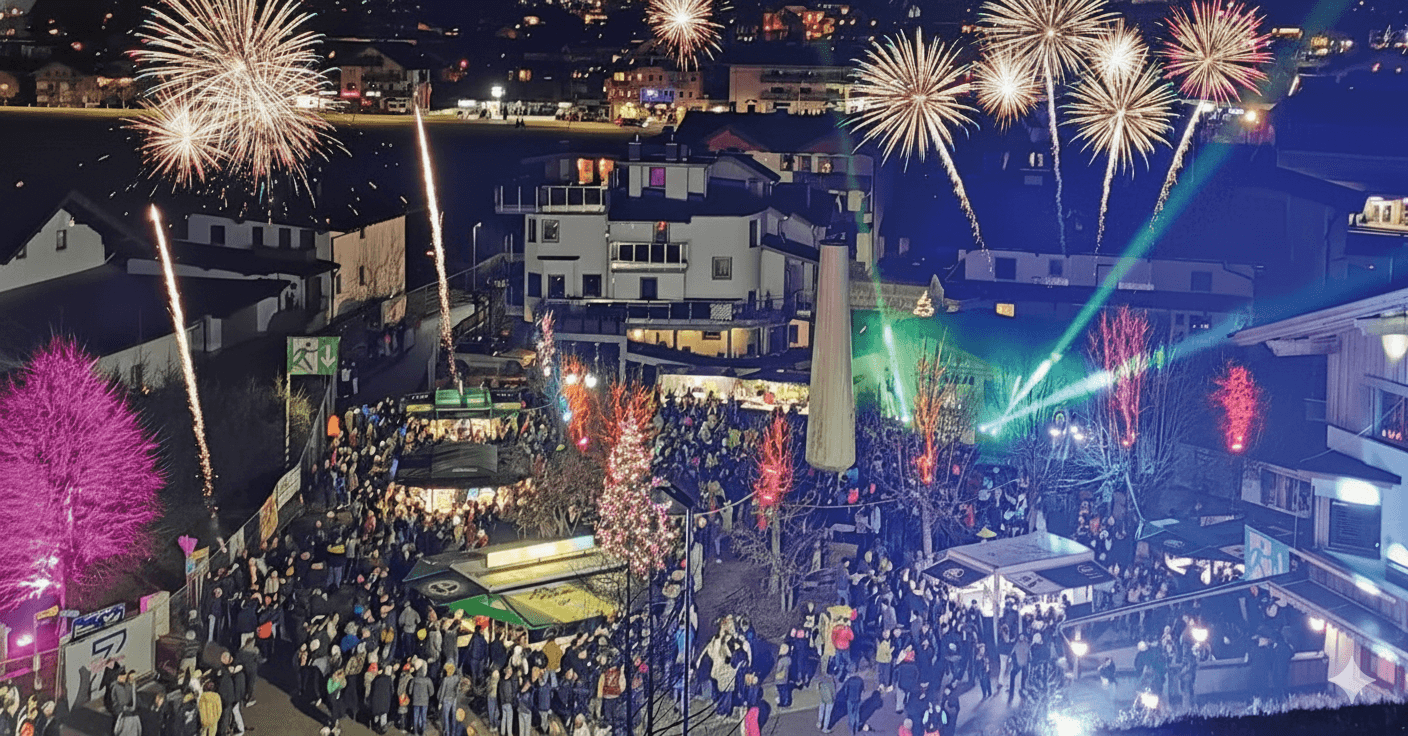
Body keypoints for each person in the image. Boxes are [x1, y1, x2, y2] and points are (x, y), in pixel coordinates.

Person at [107, 668, 140, 736]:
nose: (124, 678)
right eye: (122, 677)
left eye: (125, 676)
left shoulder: (127, 686)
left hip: (126, 713)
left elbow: (130, 699)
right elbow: (112, 702)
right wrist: (119, 710)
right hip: (119, 713)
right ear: (118, 677)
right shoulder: (114, 687)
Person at [408, 665, 433, 736]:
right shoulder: (428, 680)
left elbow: (410, 691)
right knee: (423, 717)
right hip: (425, 702)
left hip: (416, 701)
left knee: (416, 717)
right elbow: (432, 692)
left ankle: (416, 732)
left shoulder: (414, 680)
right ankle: (422, 732)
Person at [437, 664, 461, 736]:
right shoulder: (456, 678)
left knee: (446, 716)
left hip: (446, 699)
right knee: (453, 716)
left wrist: (440, 702)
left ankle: (447, 733)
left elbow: (442, 692)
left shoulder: (446, 679)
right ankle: (453, 733)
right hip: (454, 698)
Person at [816, 670, 836, 734]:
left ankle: (819, 723)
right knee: (828, 714)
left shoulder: (822, 681)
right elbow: (833, 692)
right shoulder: (831, 683)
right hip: (829, 699)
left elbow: (818, 687)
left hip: (823, 697)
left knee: (821, 710)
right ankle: (825, 728)